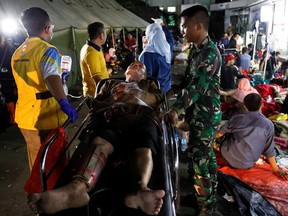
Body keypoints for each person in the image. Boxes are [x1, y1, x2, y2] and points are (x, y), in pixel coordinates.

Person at [28, 61, 166, 215]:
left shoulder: (148, 84)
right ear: (126, 72)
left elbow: (158, 100)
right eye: (132, 65)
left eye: (141, 66)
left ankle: (141, 190)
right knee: (101, 142)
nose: (136, 65)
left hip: (142, 115)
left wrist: (130, 96)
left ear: (144, 75)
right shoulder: (111, 84)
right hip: (114, 114)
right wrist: (115, 99)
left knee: (144, 144)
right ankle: (78, 188)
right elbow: (96, 104)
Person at [166, 4, 222, 215]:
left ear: (198, 26)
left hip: (205, 116)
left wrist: (176, 111)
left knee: (200, 160)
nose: (182, 31)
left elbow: (196, 88)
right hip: (198, 113)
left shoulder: (209, 53)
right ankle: (205, 196)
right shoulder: (197, 50)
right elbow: (187, 81)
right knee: (205, 157)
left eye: (184, 26)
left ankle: (206, 208)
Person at [11, 7, 78, 170]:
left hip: (25, 118)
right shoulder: (47, 50)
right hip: (46, 117)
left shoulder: (17, 53)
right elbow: (51, 78)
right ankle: (52, 194)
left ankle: (38, 194)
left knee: (36, 165)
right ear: (47, 28)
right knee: (54, 167)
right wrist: (64, 102)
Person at [217, 93, 288, 180]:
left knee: (227, 131)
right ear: (262, 105)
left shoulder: (237, 119)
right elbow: (269, 150)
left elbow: (218, 134)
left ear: (245, 105)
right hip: (248, 164)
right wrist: (276, 170)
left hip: (228, 159)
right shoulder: (269, 124)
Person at [80, 22, 111, 105]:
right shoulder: (92, 52)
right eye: (105, 34)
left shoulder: (90, 48)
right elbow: (97, 78)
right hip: (96, 95)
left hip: (95, 93)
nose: (105, 36)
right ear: (101, 35)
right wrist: (107, 95)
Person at [139, 21, 173, 94]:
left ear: (149, 35)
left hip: (154, 91)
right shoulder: (168, 48)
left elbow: (147, 76)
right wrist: (162, 26)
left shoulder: (147, 54)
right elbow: (170, 38)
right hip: (167, 88)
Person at [0, 34, 17, 125]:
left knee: (8, 95)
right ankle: (12, 116)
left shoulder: (8, 49)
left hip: (7, 77)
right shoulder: (9, 49)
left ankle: (13, 117)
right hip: (8, 76)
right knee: (8, 95)